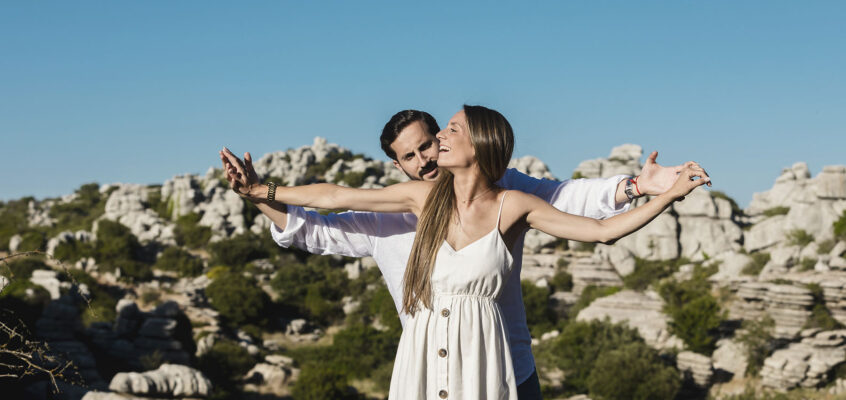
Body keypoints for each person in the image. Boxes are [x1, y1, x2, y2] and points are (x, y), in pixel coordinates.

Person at [220, 105, 710, 399]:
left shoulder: (510, 194)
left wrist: (645, 189)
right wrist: (262, 193)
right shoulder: (399, 206)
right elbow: (325, 211)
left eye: (429, 143)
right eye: (408, 157)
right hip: (423, 366)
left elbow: (580, 209)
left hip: (505, 368)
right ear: (397, 164)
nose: (424, 159)